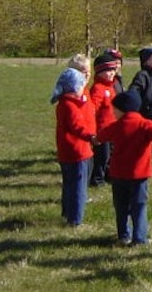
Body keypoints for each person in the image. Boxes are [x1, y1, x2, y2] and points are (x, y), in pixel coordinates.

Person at [96, 91, 152, 245]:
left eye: (115, 109)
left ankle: (123, 234)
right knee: (139, 206)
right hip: (139, 175)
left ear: (122, 110)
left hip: (118, 174)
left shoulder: (117, 125)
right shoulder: (145, 125)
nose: (113, 112)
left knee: (121, 206)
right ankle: (139, 238)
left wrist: (95, 139)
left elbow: (101, 136)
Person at [53, 67, 95, 226]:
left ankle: (67, 212)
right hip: (78, 151)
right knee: (79, 186)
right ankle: (76, 219)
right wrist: (91, 137)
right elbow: (78, 127)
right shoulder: (70, 106)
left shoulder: (64, 103)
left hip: (66, 152)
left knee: (68, 184)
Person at [89, 52, 123, 186]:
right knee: (102, 156)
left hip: (113, 128)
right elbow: (93, 108)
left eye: (113, 70)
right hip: (102, 129)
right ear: (99, 72)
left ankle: (109, 175)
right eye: (108, 70)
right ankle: (97, 178)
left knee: (112, 154)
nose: (112, 73)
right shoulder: (98, 88)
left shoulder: (111, 86)